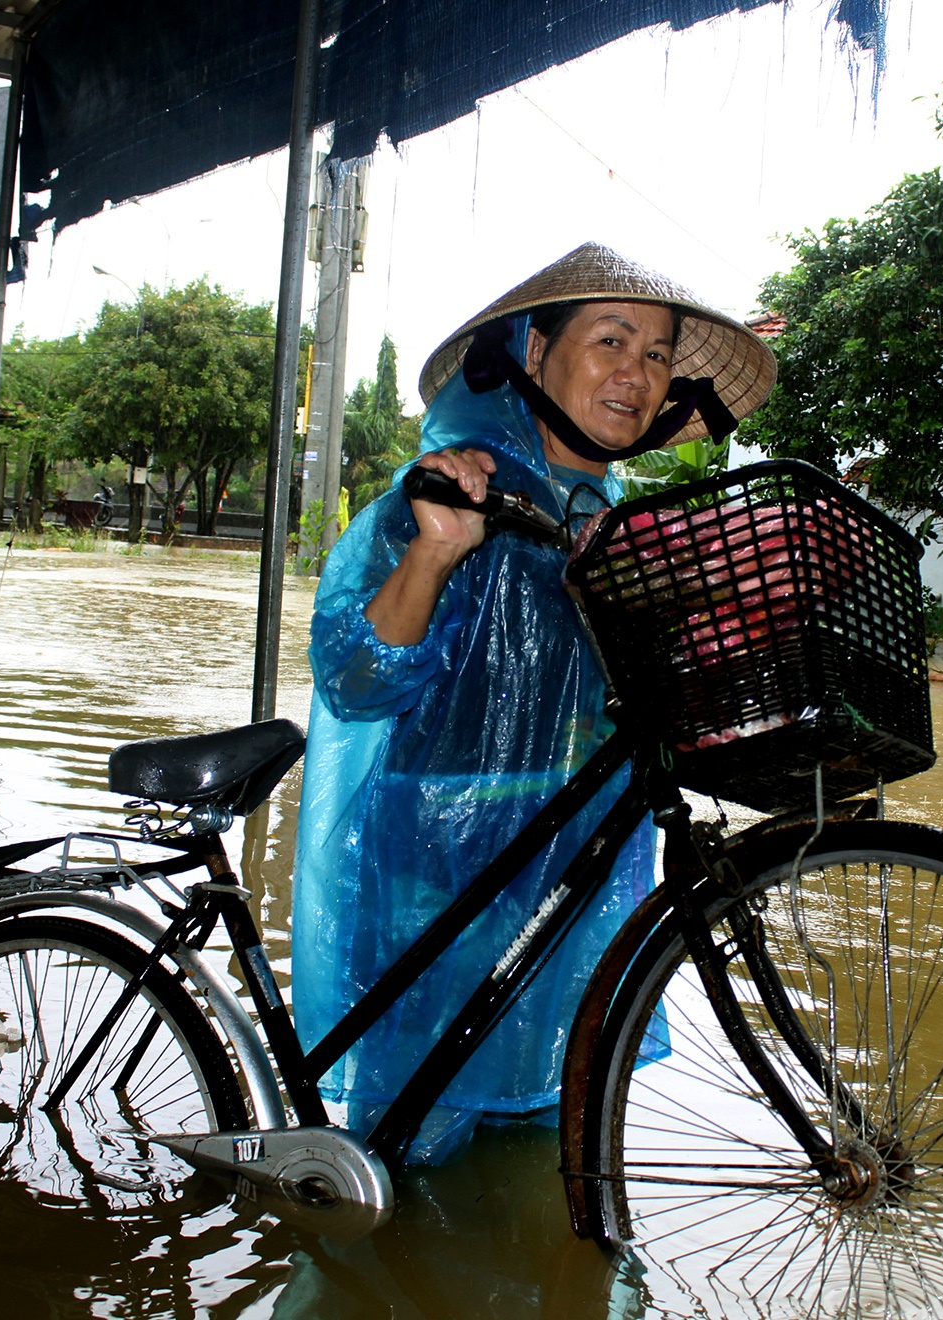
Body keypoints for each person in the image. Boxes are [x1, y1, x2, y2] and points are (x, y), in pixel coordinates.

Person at [292, 243, 776, 1164]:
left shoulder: (604, 516)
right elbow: (354, 681)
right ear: (532, 350)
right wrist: (435, 550)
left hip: (574, 868)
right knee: (412, 1150)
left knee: (540, 1142)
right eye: (611, 340)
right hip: (438, 867)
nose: (637, 374)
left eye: (659, 354)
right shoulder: (446, 489)